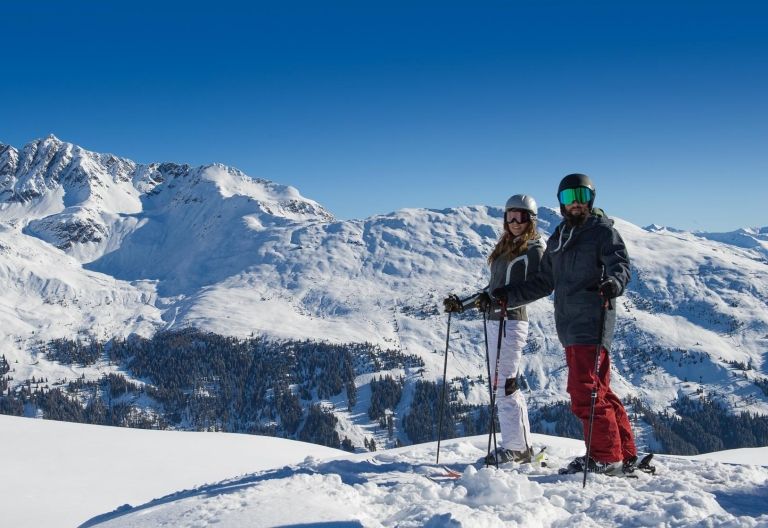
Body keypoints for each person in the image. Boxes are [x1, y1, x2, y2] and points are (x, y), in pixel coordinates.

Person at [493, 173, 637, 475]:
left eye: (580, 197)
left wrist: (614, 282)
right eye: (568, 197)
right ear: (560, 202)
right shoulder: (559, 237)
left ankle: (605, 457)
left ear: (590, 199)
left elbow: (620, 264)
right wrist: (508, 295)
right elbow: (544, 282)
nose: (575, 203)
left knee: (585, 390)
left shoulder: (601, 232)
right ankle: (623, 452)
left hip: (593, 320)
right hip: (569, 325)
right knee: (600, 389)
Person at [443, 194, 545, 464]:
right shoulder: (505, 246)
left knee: (506, 384)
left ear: (530, 220)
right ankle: (517, 444)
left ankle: (518, 448)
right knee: (499, 384)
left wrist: (503, 299)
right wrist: (461, 304)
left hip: (511, 321)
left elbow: (539, 286)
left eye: (520, 216)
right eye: (510, 216)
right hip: (494, 320)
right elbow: (492, 290)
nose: (514, 221)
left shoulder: (533, 248)